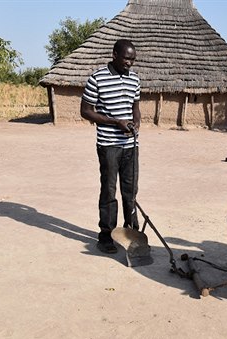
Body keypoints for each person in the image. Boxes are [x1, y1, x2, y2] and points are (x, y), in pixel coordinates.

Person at [80, 39, 141, 254]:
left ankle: (132, 232)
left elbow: (135, 107)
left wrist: (136, 124)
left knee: (130, 191)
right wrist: (116, 122)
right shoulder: (97, 78)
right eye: (126, 58)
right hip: (108, 145)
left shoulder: (134, 79)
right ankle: (106, 235)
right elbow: (86, 111)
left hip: (130, 145)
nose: (129, 63)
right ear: (114, 54)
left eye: (133, 60)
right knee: (109, 190)